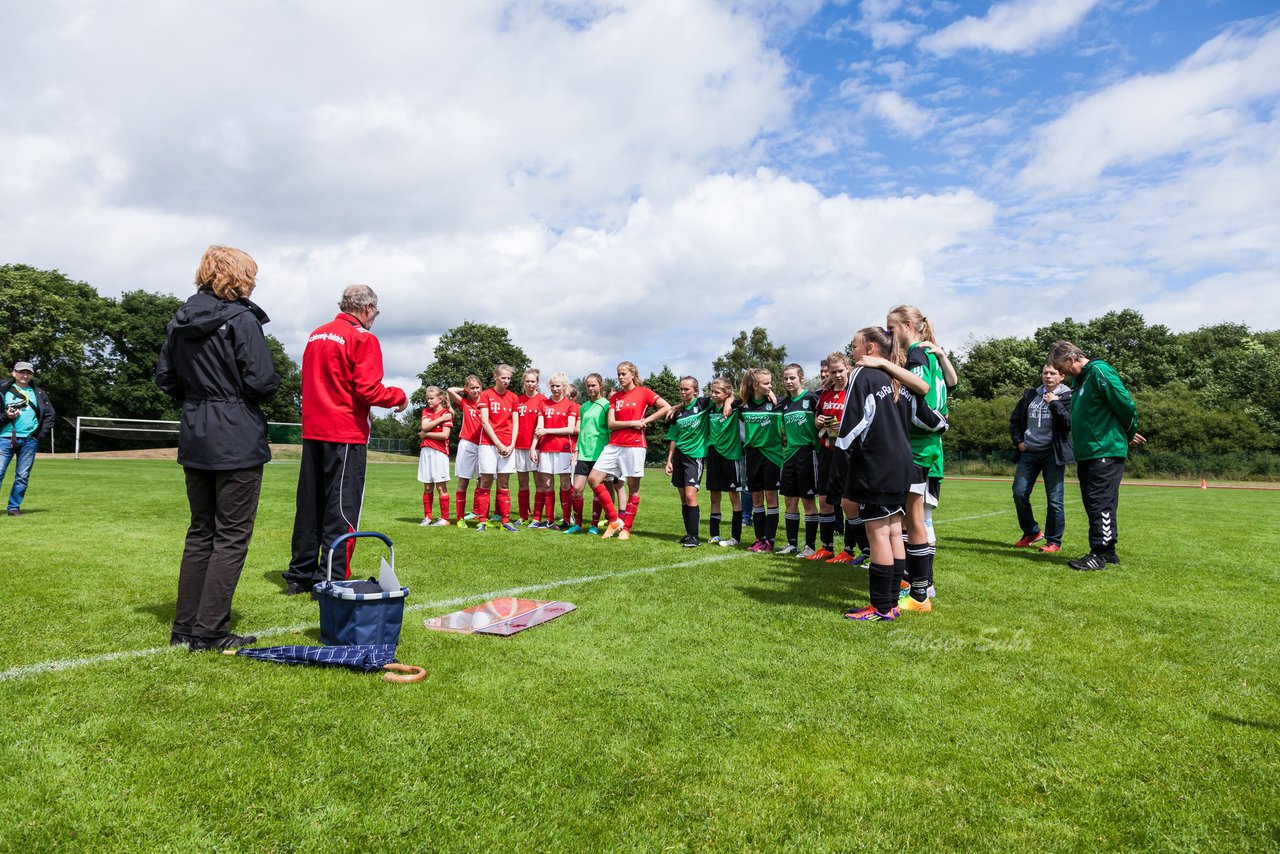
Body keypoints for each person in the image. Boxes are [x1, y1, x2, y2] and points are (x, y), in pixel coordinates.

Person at [156, 245, 280, 649]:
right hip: (235, 433)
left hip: (196, 431)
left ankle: (185, 627)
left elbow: (166, 378)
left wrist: (201, 394)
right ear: (238, 276)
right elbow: (262, 381)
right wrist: (229, 394)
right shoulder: (242, 319)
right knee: (230, 536)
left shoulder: (180, 320)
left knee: (200, 532)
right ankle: (209, 632)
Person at [284, 285, 407, 595]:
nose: (374, 319)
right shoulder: (362, 338)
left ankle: (300, 574)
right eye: (375, 313)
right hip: (345, 432)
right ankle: (333, 577)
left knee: (310, 506)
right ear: (366, 309)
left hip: (314, 429)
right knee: (342, 509)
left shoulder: (316, 334)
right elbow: (368, 389)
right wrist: (399, 398)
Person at [1049, 341, 1145, 571]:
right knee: (1096, 503)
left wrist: (1127, 431)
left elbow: (1125, 405)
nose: (1061, 373)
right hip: (1089, 452)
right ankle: (1109, 552)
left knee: (1100, 502)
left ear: (1072, 359)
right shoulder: (1081, 383)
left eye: (1060, 367)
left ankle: (1098, 553)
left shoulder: (1099, 371)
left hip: (1104, 450)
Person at [587, 361, 672, 540]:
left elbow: (666, 407)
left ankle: (627, 529)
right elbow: (611, 424)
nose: (620, 377)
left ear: (633, 374)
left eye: (624, 374)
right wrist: (631, 423)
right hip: (614, 444)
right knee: (594, 479)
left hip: (634, 445)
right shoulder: (615, 397)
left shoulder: (644, 392)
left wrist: (646, 421)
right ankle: (614, 520)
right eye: (618, 374)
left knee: (633, 488)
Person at [1009, 364, 1074, 553]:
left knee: (1054, 500)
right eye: (1045, 373)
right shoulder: (1030, 395)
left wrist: (1054, 403)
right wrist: (1018, 441)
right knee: (1019, 493)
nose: (1048, 376)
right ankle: (1032, 532)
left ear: (1062, 376)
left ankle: (1054, 541)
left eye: (1053, 373)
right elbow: (1014, 421)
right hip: (1028, 452)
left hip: (1052, 454)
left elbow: (1068, 423)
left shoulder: (1068, 397)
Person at [738, 368, 784, 553]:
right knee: (757, 498)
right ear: (755, 385)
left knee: (771, 497)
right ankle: (759, 539)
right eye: (766, 383)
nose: (770, 385)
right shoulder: (743, 405)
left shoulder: (778, 403)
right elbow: (719, 400)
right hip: (752, 456)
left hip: (772, 456)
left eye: (771, 382)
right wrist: (727, 404)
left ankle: (770, 541)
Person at [1, 361, 55, 517]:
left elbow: (50, 415)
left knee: (22, 476)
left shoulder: (38, 393)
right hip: (4, 439)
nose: (25, 375)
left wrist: (38, 436)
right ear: (13, 373)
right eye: (21, 372)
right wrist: (7, 416)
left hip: (29, 441)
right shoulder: (3, 391)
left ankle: (13, 507)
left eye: (28, 373)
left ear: (32, 375)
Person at [778, 364, 821, 557]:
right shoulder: (784, 404)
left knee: (808, 501)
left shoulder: (812, 398)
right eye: (786, 378)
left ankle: (810, 546)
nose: (788, 382)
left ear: (801, 377)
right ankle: (791, 543)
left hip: (807, 453)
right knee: (789, 500)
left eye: (792, 378)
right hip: (789, 455)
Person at [664, 376, 712, 547]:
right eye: (681, 389)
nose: (683, 392)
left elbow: (725, 396)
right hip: (679, 457)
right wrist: (669, 460)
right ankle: (689, 533)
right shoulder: (678, 412)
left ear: (695, 391)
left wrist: (728, 403)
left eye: (687, 389)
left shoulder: (703, 404)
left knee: (691, 496)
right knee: (683, 497)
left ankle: (695, 537)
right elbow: (673, 438)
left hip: (695, 457)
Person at [475, 364, 521, 532]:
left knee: (504, 483)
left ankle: (505, 521)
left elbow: (516, 423)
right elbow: (485, 422)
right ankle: (482, 520)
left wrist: (511, 444)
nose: (506, 381)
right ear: (495, 377)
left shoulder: (513, 397)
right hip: (488, 444)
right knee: (485, 482)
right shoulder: (486, 395)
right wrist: (499, 444)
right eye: (503, 378)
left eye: (509, 378)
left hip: (508, 445)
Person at [564, 373, 610, 535]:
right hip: (583, 454)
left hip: (600, 454)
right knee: (577, 489)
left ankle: (594, 525)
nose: (591, 388)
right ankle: (577, 523)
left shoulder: (606, 405)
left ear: (600, 386)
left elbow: (610, 429)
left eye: (593, 385)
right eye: (588, 386)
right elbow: (582, 431)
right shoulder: (583, 407)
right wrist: (576, 450)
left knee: (597, 489)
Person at [530, 372, 577, 530]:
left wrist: (548, 431)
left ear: (564, 386)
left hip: (564, 449)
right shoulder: (544, 404)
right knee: (547, 484)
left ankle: (566, 521)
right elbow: (539, 429)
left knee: (565, 484)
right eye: (552, 386)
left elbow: (570, 429)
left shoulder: (570, 405)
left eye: (558, 385)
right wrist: (533, 447)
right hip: (545, 449)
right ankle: (549, 520)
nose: (555, 389)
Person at [705, 378, 743, 547]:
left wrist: (730, 400)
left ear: (727, 393)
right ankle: (715, 534)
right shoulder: (710, 408)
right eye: (712, 391)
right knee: (714, 496)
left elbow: (745, 397)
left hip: (731, 455)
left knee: (734, 496)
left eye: (717, 392)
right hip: (713, 455)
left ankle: (736, 537)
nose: (713, 395)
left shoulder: (735, 408)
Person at [447, 375, 484, 526]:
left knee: (482, 481)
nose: (475, 391)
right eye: (472, 388)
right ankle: (460, 518)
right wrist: (464, 389)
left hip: (483, 445)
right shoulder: (465, 402)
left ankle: (480, 515)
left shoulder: (486, 402)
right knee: (463, 481)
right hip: (467, 444)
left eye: (477, 387)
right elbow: (449, 391)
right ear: (467, 389)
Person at [417, 386, 454, 527]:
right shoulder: (426, 411)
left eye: (431, 398)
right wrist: (439, 420)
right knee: (427, 487)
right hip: (426, 452)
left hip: (439, 452)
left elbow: (445, 435)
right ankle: (428, 517)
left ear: (440, 399)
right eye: (427, 398)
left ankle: (445, 519)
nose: (429, 401)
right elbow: (424, 426)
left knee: (440, 486)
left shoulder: (447, 413)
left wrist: (426, 435)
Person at [513, 369, 545, 524]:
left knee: (539, 483)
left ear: (537, 382)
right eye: (527, 381)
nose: (530, 384)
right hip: (519, 446)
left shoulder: (543, 400)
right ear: (523, 382)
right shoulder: (517, 400)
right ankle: (523, 515)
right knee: (522, 482)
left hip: (537, 447)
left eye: (533, 381)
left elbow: (540, 428)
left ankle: (537, 517)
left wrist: (534, 445)